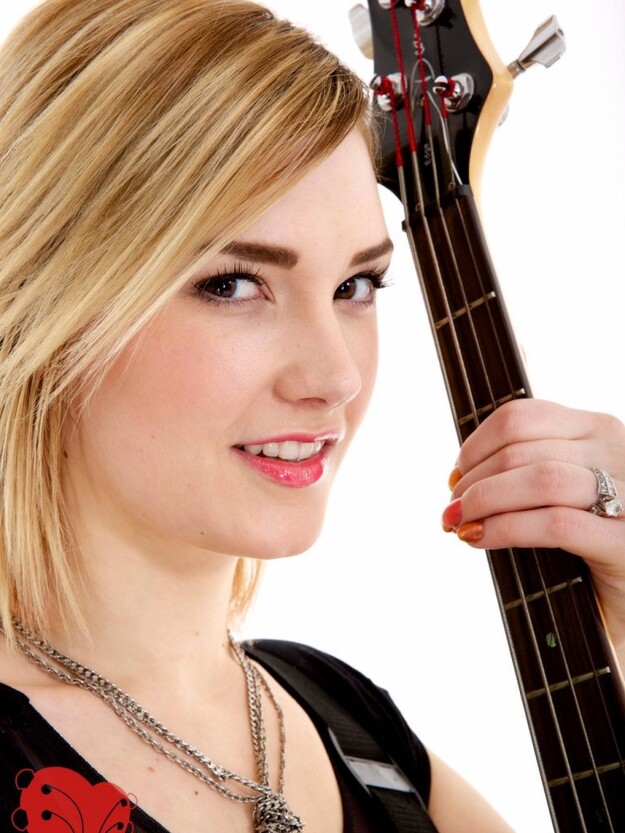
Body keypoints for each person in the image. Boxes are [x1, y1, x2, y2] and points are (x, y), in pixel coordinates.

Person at [0, 1, 623, 832]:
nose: (334, 377)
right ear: (43, 296)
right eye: (233, 284)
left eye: (355, 286)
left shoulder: (357, 733)